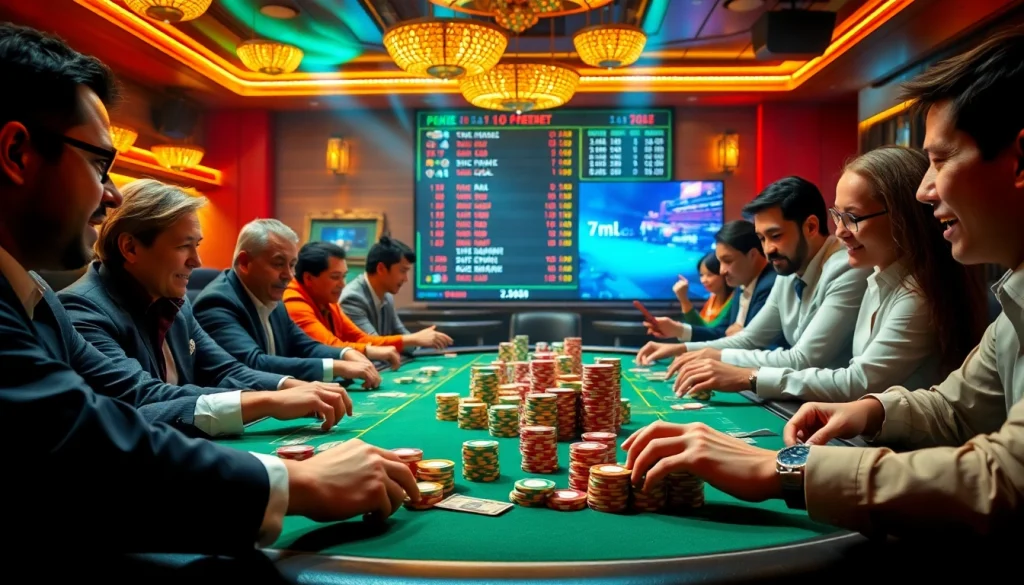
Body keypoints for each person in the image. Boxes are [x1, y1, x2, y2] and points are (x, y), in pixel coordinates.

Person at [0, 23, 418, 553]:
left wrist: (275, 397)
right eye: (99, 164)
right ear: (16, 153)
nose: (110, 197)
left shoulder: (33, 295)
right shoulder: (77, 307)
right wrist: (290, 480)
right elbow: (86, 440)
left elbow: (137, 402)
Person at [624, 24, 1024, 537]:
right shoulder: (1008, 293)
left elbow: (1005, 478)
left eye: (941, 159)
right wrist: (869, 410)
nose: (927, 191)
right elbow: (952, 405)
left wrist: (784, 467)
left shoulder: (888, 282)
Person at [670, 146, 988, 402]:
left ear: (904, 216)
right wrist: (694, 351)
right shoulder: (876, 276)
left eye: (852, 217)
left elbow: (855, 382)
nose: (839, 231)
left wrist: (747, 375)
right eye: (838, 215)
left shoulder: (913, 290)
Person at [59, 179, 355, 435]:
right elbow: (142, 397)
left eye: (196, 245)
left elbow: (226, 370)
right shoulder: (83, 309)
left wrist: (290, 387)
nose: (196, 261)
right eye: (183, 246)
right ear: (131, 248)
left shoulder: (177, 302)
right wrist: (266, 401)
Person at [636, 177, 871, 383]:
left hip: (844, 412)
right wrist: (680, 348)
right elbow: (750, 339)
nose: (768, 249)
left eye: (775, 236)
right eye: (761, 238)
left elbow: (803, 359)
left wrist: (716, 356)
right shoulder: (788, 270)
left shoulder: (846, 267)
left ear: (810, 227)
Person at [193, 219, 383, 389]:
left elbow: (304, 345)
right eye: (278, 264)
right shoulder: (217, 303)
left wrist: (345, 354)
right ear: (244, 262)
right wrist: (336, 366)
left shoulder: (270, 295)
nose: (289, 275)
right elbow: (252, 363)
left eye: (292, 265)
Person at [286, 241, 455, 364]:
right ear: (308, 278)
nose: (343, 285)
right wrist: (372, 350)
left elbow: (360, 338)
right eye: (335, 277)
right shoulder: (294, 302)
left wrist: (414, 342)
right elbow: (329, 346)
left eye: (343, 277)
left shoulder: (328, 299)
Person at [646, 220, 777, 342]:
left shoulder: (771, 286)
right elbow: (721, 333)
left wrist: (743, 336)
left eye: (728, 261)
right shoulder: (742, 284)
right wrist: (677, 329)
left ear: (753, 255)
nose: (721, 271)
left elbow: (756, 345)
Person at [341, 236, 452, 352]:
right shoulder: (352, 299)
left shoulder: (387, 296)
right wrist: (415, 339)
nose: (406, 279)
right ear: (381, 269)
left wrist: (419, 340)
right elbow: (371, 345)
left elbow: (403, 337)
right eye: (402, 271)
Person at [677, 252, 734, 328]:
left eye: (709, 275)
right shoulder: (713, 297)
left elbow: (708, 331)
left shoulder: (734, 300)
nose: (703, 280)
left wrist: (683, 299)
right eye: (701, 275)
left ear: (724, 273)